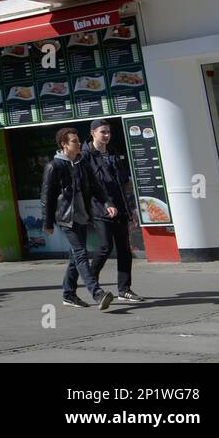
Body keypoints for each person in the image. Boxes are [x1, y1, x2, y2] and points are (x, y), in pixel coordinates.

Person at [41, 128, 116, 310]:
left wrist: (107, 203)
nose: (78, 143)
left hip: (82, 215)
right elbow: (47, 196)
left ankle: (69, 294)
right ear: (64, 144)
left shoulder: (82, 163)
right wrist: (47, 222)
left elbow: (96, 186)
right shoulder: (54, 166)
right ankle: (97, 293)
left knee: (75, 258)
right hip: (66, 218)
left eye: (78, 140)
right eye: (74, 141)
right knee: (82, 254)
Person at [83, 120, 144, 302]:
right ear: (93, 133)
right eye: (103, 132)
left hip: (120, 206)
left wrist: (129, 206)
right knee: (105, 246)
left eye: (109, 132)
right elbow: (90, 186)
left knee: (125, 249)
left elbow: (122, 181)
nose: (107, 136)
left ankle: (124, 289)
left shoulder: (113, 153)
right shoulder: (86, 156)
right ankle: (91, 281)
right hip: (100, 207)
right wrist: (106, 203)